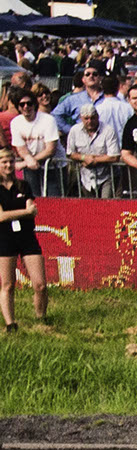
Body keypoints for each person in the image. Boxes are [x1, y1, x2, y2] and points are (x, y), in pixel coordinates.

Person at [0, 140, 42, 327]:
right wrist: (24, 212)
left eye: (10, 161)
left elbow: (33, 210)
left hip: (26, 236)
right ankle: (11, 324)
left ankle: (41, 319)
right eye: (4, 162)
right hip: (5, 238)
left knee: (40, 284)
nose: (8, 165)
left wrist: (21, 213)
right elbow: (1, 217)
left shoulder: (24, 185)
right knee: (8, 284)